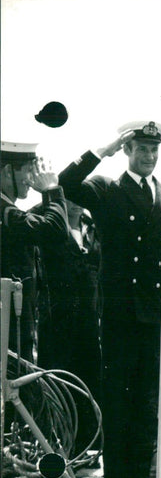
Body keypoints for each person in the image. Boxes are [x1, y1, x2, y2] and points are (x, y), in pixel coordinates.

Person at [58, 121, 161, 478]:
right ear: (128, 152)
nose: (149, 156)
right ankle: (115, 477)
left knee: (148, 397)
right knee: (118, 394)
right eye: (141, 149)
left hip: (155, 310)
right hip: (119, 311)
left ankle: (139, 476)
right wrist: (105, 148)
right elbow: (66, 182)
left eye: (153, 149)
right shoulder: (107, 189)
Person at [35, 199, 103, 457]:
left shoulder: (92, 227)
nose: (76, 205)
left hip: (88, 322)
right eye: (69, 198)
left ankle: (88, 448)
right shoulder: (51, 227)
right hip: (58, 323)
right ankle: (62, 450)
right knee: (59, 385)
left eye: (79, 198)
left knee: (88, 385)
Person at [1, 142, 68, 362]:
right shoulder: (6, 213)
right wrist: (50, 190)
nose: (33, 178)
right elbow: (56, 231)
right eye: (28, 169)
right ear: (6, 171)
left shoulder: (8, 211)